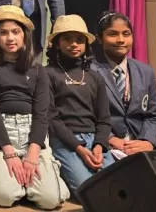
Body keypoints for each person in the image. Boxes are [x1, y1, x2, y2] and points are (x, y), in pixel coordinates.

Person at [0, 5, 67, 209]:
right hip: (2, 133)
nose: (10, 38)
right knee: (6, 197)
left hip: (32, 134)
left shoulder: (38, 70)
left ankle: (27, 183)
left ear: (24, 35)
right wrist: (9, 153)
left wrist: (32, 154)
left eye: (15, 32)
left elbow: (42, 114)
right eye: (3, 33)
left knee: (50, 200)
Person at [45, 15, 115, 195]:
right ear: (57, 43)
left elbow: (104, 118)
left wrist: (99, 145)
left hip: (94, 139)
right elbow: (51, 119)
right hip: (65, 140)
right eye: (67, 39)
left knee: (117, 184)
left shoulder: (95, 77)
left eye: (79, 39)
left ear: (86, 44)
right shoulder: (47, 74)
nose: (74, 44)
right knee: (88, 189)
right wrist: (79, 148)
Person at [91, 11, 156, 157]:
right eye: (113, 34)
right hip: (104, 146)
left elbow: (153, 116)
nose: (121, 40)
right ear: (99, 38)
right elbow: (85, 116)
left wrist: (148, 141)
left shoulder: (146, 71)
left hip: (139, 146)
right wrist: (110, 138)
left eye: (126, 34)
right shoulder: (90, 71)